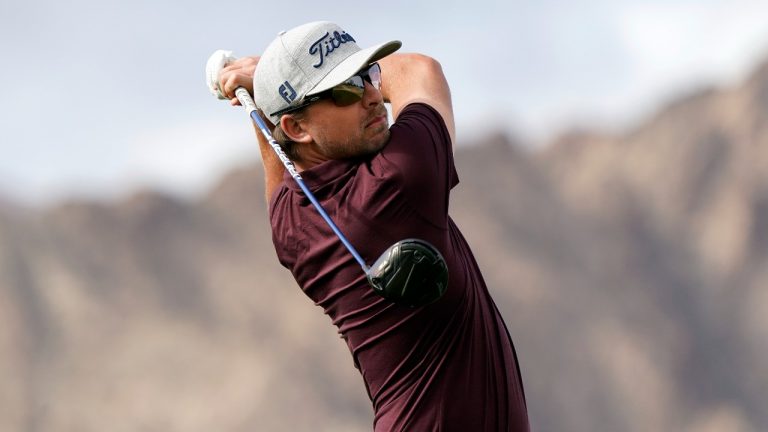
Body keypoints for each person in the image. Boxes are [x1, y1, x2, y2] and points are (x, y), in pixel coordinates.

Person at [215, 21, 530, 431]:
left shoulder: (292, 229)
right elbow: (420, 69)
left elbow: (279, 165)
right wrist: (263, 82)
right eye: (344, 89)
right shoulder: (399, 180)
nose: (370, 97)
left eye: (369, 74)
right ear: (297, 127)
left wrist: (263, 95)